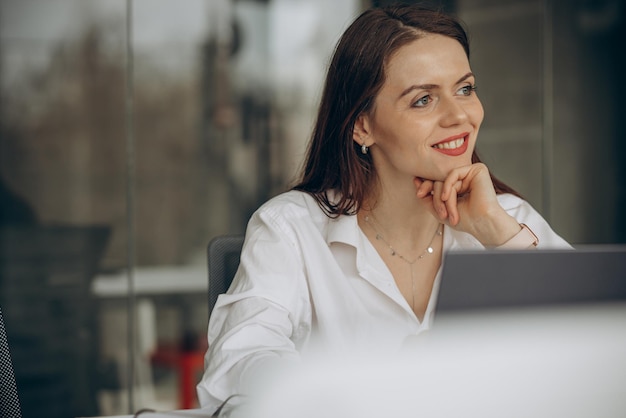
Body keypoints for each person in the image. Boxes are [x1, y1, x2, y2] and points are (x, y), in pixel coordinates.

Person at [197, 3, 570, 411]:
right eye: (423, 100)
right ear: (362, 125)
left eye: (465, 88)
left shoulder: (508, 220)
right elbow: (239, 362)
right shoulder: (290, 229)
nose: (459, 115)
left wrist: (500, 237)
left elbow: (590, 355)